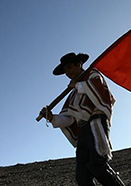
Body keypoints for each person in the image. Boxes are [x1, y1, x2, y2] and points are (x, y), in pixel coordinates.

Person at [40, 52, 125, 186]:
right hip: (83, 132)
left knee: (97, 166)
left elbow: (100, 95)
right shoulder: (74, 92)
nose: (67, 73)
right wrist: (51, 117)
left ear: (79, 64)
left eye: (69, 67)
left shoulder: (92, 75)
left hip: (96, 124)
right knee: (82, 176)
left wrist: (77, 86)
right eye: (65, 70)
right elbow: (71, 119)